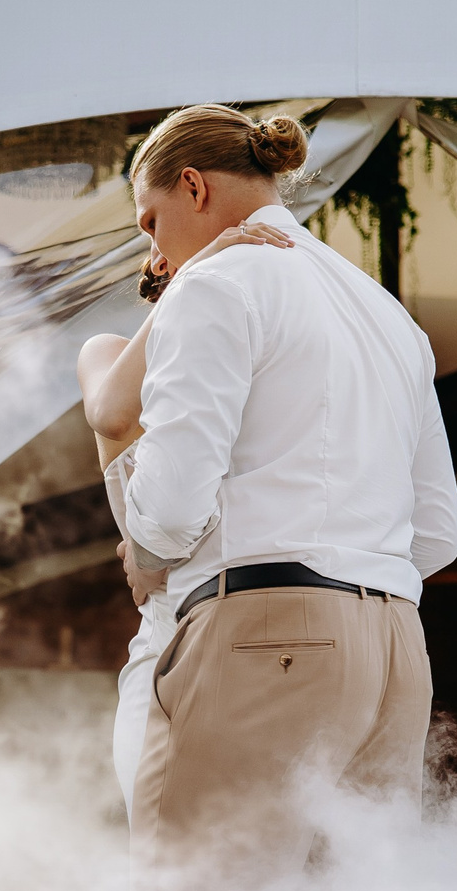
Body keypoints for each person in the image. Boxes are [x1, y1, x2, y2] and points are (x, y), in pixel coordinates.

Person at [114, 104, 457, 891]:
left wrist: (144, 550)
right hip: (394, 648)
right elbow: (440, 531)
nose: (154, 250)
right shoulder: (389, 316)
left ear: (193, 186)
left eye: (151, 221)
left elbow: (167, 508)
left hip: (261, 633)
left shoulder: (216, 284)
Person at [77, 218, 296, 818]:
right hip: (168, 627)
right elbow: (111, 414)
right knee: (171, 857)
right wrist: (197, 276)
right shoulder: (107, 353)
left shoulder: (219, 381)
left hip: (236, 620)